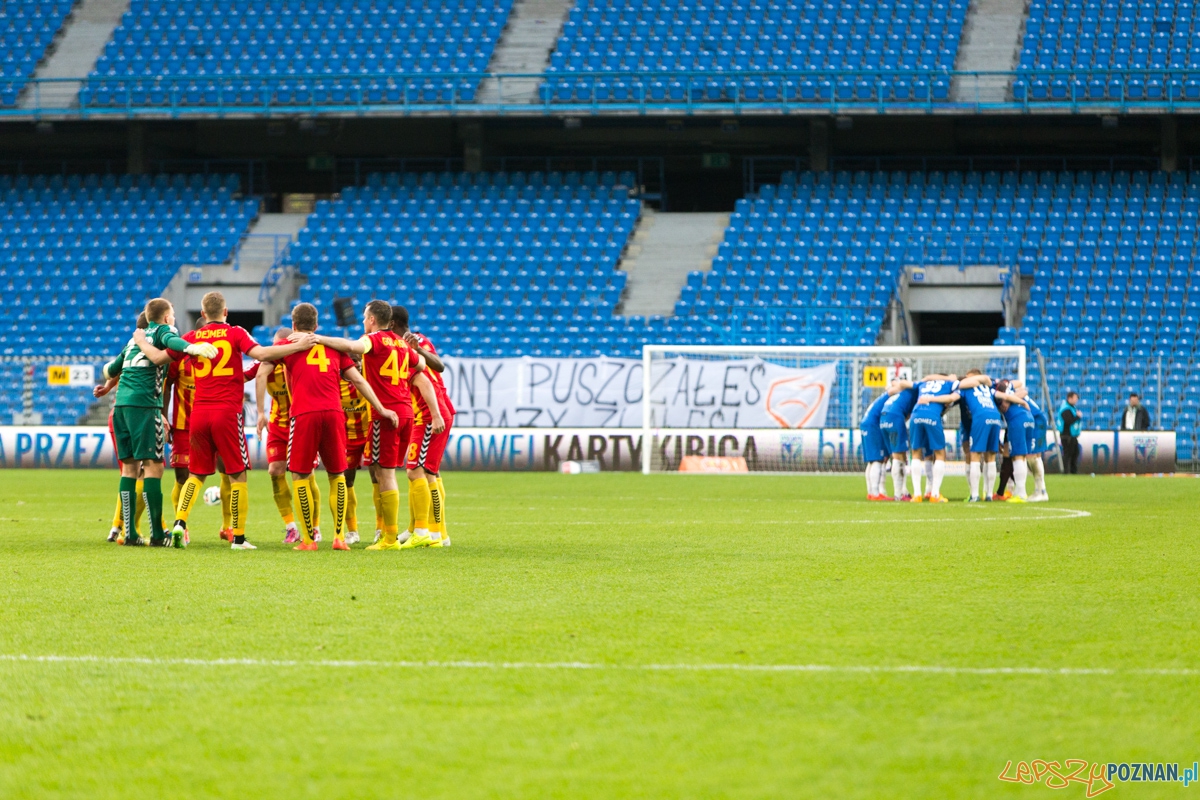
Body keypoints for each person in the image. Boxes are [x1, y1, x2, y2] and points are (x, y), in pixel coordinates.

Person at [154, 291, 309, 550]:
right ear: (225, 312)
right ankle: (237, 537)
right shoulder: (236, 333)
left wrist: (140, 341)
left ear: (203, 314)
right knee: (237, 474)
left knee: (196, 474)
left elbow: (159, 359)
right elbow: (261, 354)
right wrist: (297, 346)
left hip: (198, 414)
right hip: (227, 413)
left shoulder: (191, 338)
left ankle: (180, 523)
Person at [293, 300, 426, 551]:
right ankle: (386, 534)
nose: (364, 321)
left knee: (385, 475)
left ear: (373, 320)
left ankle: (389, 538)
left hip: (385, 414)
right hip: (406, 412)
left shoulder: (373, 339)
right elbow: (420, 364)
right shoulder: (400, 343)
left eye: (365, 317)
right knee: (388, 474)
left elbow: (352, 346)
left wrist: (317, 338)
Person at [98, 299, 218, 547]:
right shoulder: (163, 331)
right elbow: (173, 341)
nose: (173, 319)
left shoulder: (133, 340)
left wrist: (108, 383)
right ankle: (157, 535)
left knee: (129, 469)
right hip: (144, 406)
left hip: (120, 407)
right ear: (165, 318)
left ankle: (129, 534)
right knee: (154, 468)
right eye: (172, 315)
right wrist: (192, 347)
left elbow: (111, 369)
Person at [280, 303, 397, 551]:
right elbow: (358, 380)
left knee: (300, 475)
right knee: (337, 475)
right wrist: (382, 407)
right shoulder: (333, 347)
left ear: (293, 325)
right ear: (316, 325)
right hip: (334, 414)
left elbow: (261, 359)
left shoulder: (288, 345)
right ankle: (339, 538)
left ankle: (309, 540)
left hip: (304, 414)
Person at [389, 306, 448, 548]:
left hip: (428, 413)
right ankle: (434, 532)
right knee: (429, 473)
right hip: (431, 410)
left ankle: (427, 531)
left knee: (417, 472)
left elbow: (433, 371)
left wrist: (435, 414)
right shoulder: (414, 341)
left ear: (391, 323)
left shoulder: (409, 344)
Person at [255, 327, 302, 545]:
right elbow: (244, 376)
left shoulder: (300, 361)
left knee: (304, 475)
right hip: (277, 424)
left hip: (300, 422)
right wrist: (261, 412)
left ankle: (314, 527)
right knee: (275, 471)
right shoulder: (268, 363)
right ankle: (291, 527)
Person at [904, 374, 961, 503]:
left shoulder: (924, 383)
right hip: (932, 414)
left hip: (916, 414)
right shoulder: (950, 384)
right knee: (940, 453)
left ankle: (917, 495)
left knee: (916, 452)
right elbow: (952, 396)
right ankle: (934, 494)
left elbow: (925, 378)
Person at [956, 370, 1004, 503]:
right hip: (990, 418)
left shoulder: (965, 387)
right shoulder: (988, 389)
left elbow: (951, 397)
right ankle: (987, 494)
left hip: (979, 419)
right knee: (989, 457)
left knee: (975, 455)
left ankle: (975, 495)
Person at [995, 379, 1035, 502]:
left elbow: (1021, 389)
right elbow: (1023, 390)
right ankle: (1019, 491)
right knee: (1022, 457)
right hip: (1029, 418)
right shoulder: (1011, 391)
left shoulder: (998, 394)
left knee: (1017, 457)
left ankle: (1021, 494)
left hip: (1016, 420)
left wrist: (1008, 400)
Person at [880, 378, 920, 501]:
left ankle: (902, 491)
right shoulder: (917, 392)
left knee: (896, 456)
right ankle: (899, 494)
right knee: (899, 456)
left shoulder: (902, 392)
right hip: (895, 416)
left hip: (883, 417)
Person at [859, 391, 892, 501]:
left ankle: (871, 492)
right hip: (872, 425)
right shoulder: (889, 396)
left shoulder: (881, 398)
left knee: (872, 461)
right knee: (877, 460)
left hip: (867, 423)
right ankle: (875, 493)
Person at [1058, 391, 1083, 474]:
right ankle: (1066, 471)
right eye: (1075, 398)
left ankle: (1073, 471)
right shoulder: (1065, 409)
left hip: (1072, 435)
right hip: (1067, 435)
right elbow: (1069, 421)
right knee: (1068, 454)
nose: (1076, 400)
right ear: (1070, 398)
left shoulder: (1071, 408)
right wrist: (1077, 416)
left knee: (1075, 453)